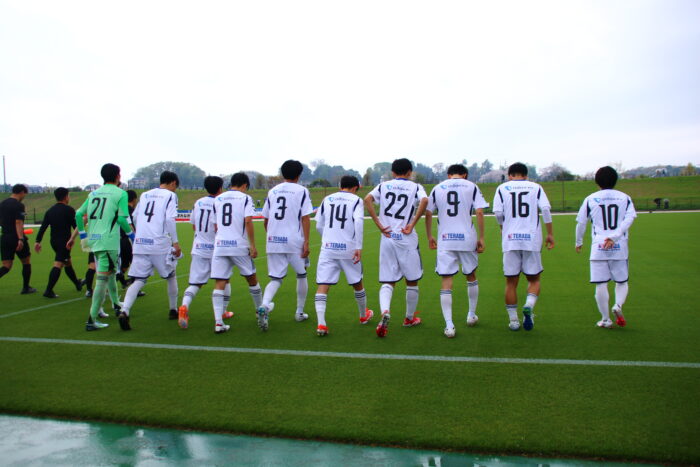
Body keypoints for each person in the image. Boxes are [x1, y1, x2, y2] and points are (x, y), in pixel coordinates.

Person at [364, 158, 428, 337]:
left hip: (388, 236)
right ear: (410, 172)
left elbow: (367, 199)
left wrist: (379, 223)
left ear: (393, 172)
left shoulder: (383, 186)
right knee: (412, 279)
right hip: (406, 237)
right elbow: (424, 201)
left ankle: (385, 311)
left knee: (388, 280)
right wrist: (412, 223)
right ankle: (409, 318)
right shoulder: (415, 186)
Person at [425, 164, 488, 338]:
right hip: (467, 238)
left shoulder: (438, 188)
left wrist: (429, 236)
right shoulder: (471, 186)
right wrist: (482, 237)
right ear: (465, 174)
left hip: (445, 239)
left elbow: (428, 213)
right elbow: (480, 212)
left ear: (448, 175)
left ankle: (449, 325)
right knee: (471, 275)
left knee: (446, 280)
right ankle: (471, 315)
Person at [492, 162, 554, 331]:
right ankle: (529, 305)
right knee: (534, 279)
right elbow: (546, 210)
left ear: (510, 175)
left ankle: (513, 321)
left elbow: (498, 213)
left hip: (510, 239)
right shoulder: (536, 187)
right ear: (526, 175)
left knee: (511, 282)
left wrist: (502, 227)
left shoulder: (502, 188)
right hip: (531, 239)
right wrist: (550, 233)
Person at [118, 171, 181, 330]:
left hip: (140, 243)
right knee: (171, 275)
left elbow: (134, 217)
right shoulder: (170, 196)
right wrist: (175, 242)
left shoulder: (145, 195)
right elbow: (169, 219)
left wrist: (140, 233)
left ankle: (125, 310)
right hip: (159, 243)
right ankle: (173, 309)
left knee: (138, 280)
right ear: (173, 183)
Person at [575, 166, 636, 328]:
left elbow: (581, 223)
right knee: (621, 282)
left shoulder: (590, 199)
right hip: (619, 245)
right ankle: (618, 305)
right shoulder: (625, 198)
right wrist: (615, 236)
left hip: (599, 245)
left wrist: (578, 242)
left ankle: (606, 319)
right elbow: (629, 219)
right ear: (615, 180)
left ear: (597, 181)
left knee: (600, 284)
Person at [75, 164, 134, 330]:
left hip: (94, 240)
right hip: (109, 241)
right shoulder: (121, 193)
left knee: (111, 273)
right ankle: (91, 319)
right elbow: (122, 219)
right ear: (117, 176)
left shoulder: (93, 193)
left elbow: (78, 214)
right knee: (102, 279)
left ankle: (116, 304)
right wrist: (132, 236)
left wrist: (83, 235)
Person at [256, 160, 313, 331]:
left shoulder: (272, 191)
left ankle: (264, 305)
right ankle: (299, 312)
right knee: (301, 274)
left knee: (275, 278)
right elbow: (305, 218)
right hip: (294, 240)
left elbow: (265, 220)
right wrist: (306, 241)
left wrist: (272, 236)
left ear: (282, 173)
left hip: (273, 239)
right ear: (299, 175)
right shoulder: (302, 191)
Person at [314, 175, 373, 336]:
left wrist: (327, 239)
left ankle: (321, 324)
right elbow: (358, 222)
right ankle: (363, 315)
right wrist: (359, 246)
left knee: (323, 284)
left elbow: (318, 225)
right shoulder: (356, 200)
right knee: (357, 282)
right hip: (348, 249)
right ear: (355, 188)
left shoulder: (327, 199)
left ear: (340, 186)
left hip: (328, 248)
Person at [207, 172, 263, 333]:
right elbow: (248, 221)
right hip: (238, 245)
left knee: (220, 282)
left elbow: (215, 225)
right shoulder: (245, 198)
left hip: (220, 245)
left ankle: (218, 323)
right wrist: (252, 245)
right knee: (252, 279)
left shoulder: (218, 199)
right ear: (245, 185)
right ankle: (260, 312)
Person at [178, 176, 234, 329]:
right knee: (224, 280)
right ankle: (223, 312)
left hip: (199, 248)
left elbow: (194, 226)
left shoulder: (198, 202)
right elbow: (219, 227)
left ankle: (184, 306)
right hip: (217, 249)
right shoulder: (221, 202)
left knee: (195, 283)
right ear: (220, 188)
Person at [34, 187, 83, 297]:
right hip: (64, 242)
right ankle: (48, 290)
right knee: (59, 263)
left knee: (67, 262)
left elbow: (43, 227)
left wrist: (38, 241)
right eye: (68, 196)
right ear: (66, 197)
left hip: (54, 241)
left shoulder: (50, 211)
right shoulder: (69, 210)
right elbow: (76, 226)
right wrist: (82, 238)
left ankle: (77, 283)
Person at [0, 184, 35, 293]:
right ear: (22, 192)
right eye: (25, 194)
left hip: (5, 236)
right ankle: (26, 288)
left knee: (6, 266)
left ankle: (26, 287)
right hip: (16, 237)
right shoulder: (19, 205)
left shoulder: (2, 204)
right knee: (26, 261)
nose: (24, 196)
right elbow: (18, 222)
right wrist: (20, 239)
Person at [116, 190, 138, 289]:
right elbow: (133, 226)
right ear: (134, 199)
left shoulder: (120, 210)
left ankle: (116, 283)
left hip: (119, 240)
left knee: (124, 265)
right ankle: (134, 288)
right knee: (135, 263)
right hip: (129, 240)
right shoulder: (133, 211)